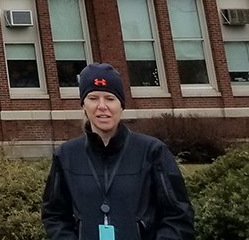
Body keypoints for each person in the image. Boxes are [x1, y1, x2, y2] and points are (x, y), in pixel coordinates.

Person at [42, 62, 195, 240]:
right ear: (83, 105)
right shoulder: (66, 155)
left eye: (109, 98)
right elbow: (54, 215)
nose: (102, 106)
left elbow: (178, 216)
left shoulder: (152, 152)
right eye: (93, 98)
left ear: (121, 105)